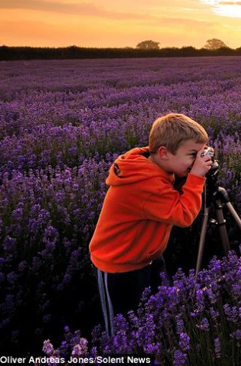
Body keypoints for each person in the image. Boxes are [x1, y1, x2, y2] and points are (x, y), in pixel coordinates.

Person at [89, 113, 213, 336]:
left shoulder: (156, 164)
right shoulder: (145, 183)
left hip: (148, 258)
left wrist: (189, 168)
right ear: (164, 153)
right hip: (120, 267)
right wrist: (196, 178)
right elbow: (184, 215)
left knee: (155, 318)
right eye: (193, 155)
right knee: (123, 332)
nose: (198, 161)